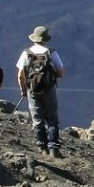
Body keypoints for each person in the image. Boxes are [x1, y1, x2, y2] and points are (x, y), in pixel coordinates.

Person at [16, 26, 67, 157]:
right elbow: (61, 73)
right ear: (45, 39)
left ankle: (42, 147)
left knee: (37, 118)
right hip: (49, 89)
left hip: (32, 90)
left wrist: (23, 90)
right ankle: (53, 148)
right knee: (52, 118)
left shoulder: (26, 53)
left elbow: (21, 75)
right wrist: (49, 76)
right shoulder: (51, 53)